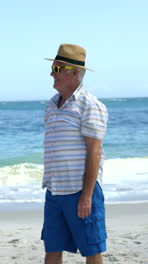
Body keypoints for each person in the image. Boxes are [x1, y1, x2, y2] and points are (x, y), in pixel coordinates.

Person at [41, 44, 108, 264]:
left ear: (75, 73)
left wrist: (87, 195)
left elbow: (94, 152)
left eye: (58, 69)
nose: (52, 74)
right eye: (53, 68)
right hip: (55, 190)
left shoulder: (90, 105)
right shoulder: (51, 105)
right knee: (52, 248)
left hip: (81, 191)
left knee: (91, 249)